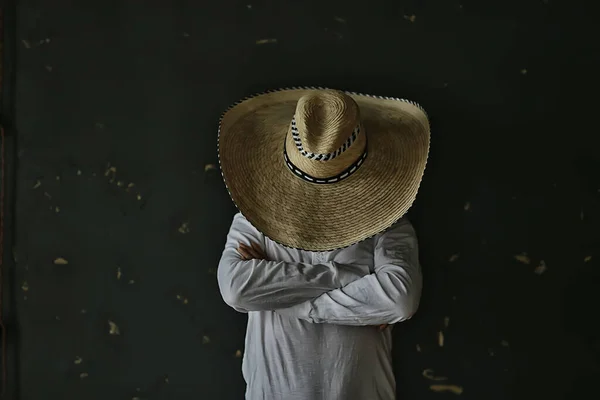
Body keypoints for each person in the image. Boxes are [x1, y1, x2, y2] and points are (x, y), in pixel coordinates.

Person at [216, 88, 430, 400]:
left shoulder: (388, 222)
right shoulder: (255, 217)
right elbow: (236, 289)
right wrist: (356, 281)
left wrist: (290, 304)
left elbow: (399, 299)